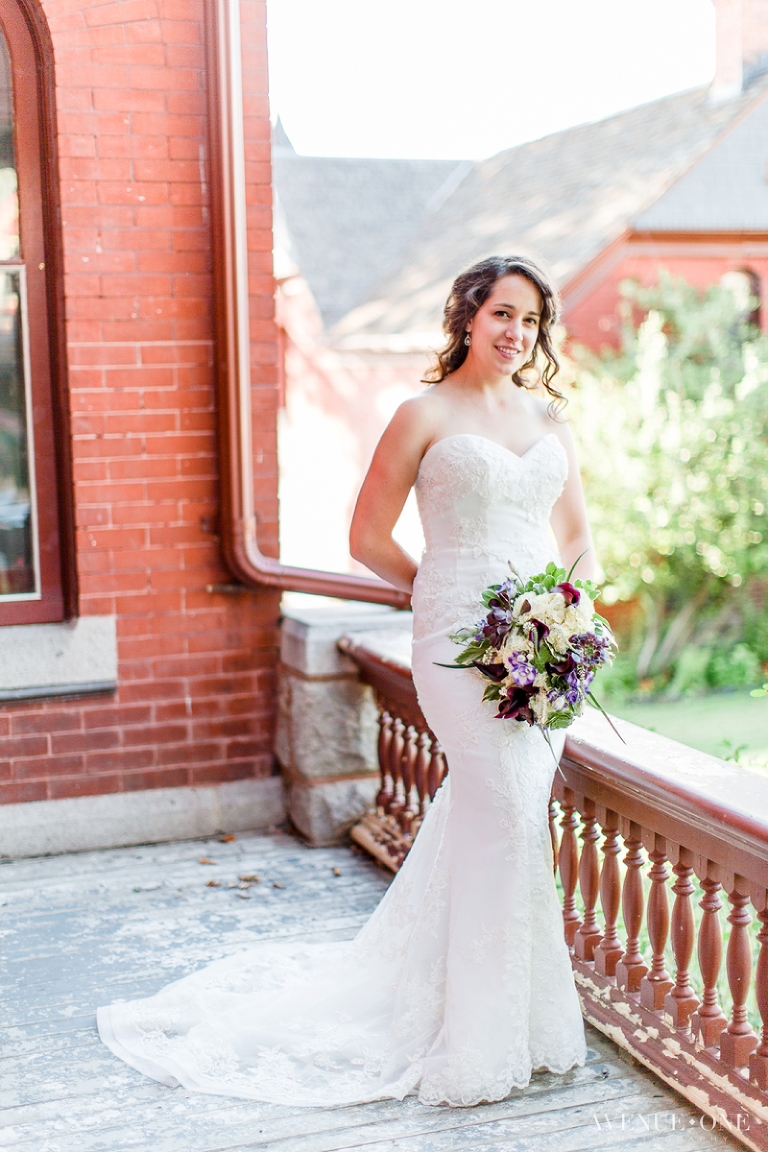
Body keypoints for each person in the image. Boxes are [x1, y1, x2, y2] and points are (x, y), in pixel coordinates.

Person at [97, 254, 592, 1108]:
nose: (517, 333)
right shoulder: (422, 413)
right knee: (504, 812)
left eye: (532, 321)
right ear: (469, 316)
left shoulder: (550, 417)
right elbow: (368, 535)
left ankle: (520, 1018)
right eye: (503, 314)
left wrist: (569, 623)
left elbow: (579, 539)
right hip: (455, 643)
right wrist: (451, 597)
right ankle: (475, 1041)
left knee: (504, 821)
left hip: (544, 653)